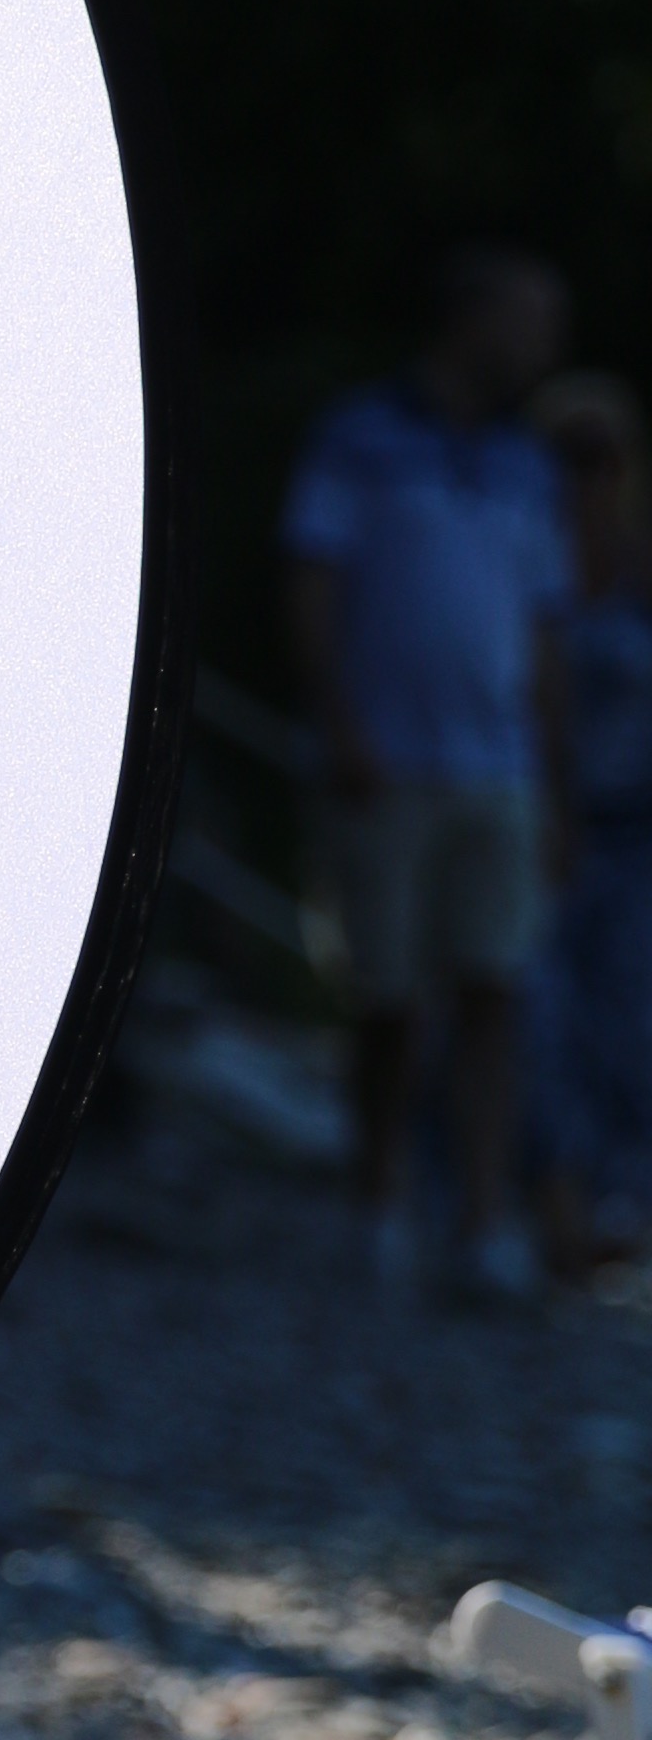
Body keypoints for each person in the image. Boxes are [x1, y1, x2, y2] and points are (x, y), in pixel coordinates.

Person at [284, 242, 574, 1299]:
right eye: (531, 323)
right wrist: (339, 723)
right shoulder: (360, 438)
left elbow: (544, 627)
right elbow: (313, 578)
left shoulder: (528, 465)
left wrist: (554, 779)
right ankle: (378, 1200)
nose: (544, 347)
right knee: (389, 996)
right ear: (474, 319)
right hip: (388, 760)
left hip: (498, 769)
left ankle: (483, 1219)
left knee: (496, 988)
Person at [528, 371, 652, 1281]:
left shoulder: (640, 577)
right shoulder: (523, 564)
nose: (585, 477)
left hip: (635, 833)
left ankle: (623, 1209)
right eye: (568, 455)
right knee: (543, 1024)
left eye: (601, 457)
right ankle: (554, 1208)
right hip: (539, 824)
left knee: (630, 1026)